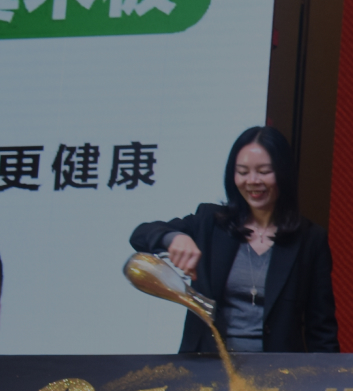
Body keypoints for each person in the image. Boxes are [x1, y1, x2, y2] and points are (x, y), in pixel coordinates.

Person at [130, 126, 338, 352]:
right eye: (242, 172)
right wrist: (174, 237)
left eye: (264, 171)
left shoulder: (310, 239)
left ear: (284, 173)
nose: (252, 181)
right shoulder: (210, 222)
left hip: (278, 370)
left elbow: (321, 331)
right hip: (208, 367)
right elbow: (141, 234)